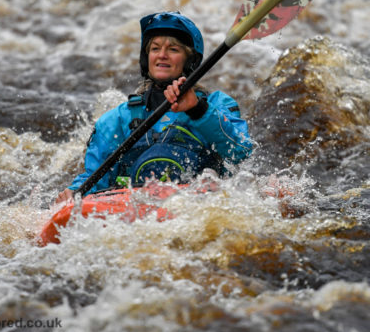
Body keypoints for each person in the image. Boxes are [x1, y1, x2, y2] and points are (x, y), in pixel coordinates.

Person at [56, 11, 252, 202]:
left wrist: (197, 109)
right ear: (146, 58)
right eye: (155, 48)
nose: (162, 55)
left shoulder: (216, 104)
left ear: (190, 61)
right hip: (135, 210)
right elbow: (95, 179)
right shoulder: (117, 119)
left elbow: (241, 152)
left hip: (197, 205)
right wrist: (73, 192)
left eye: (173, 49)